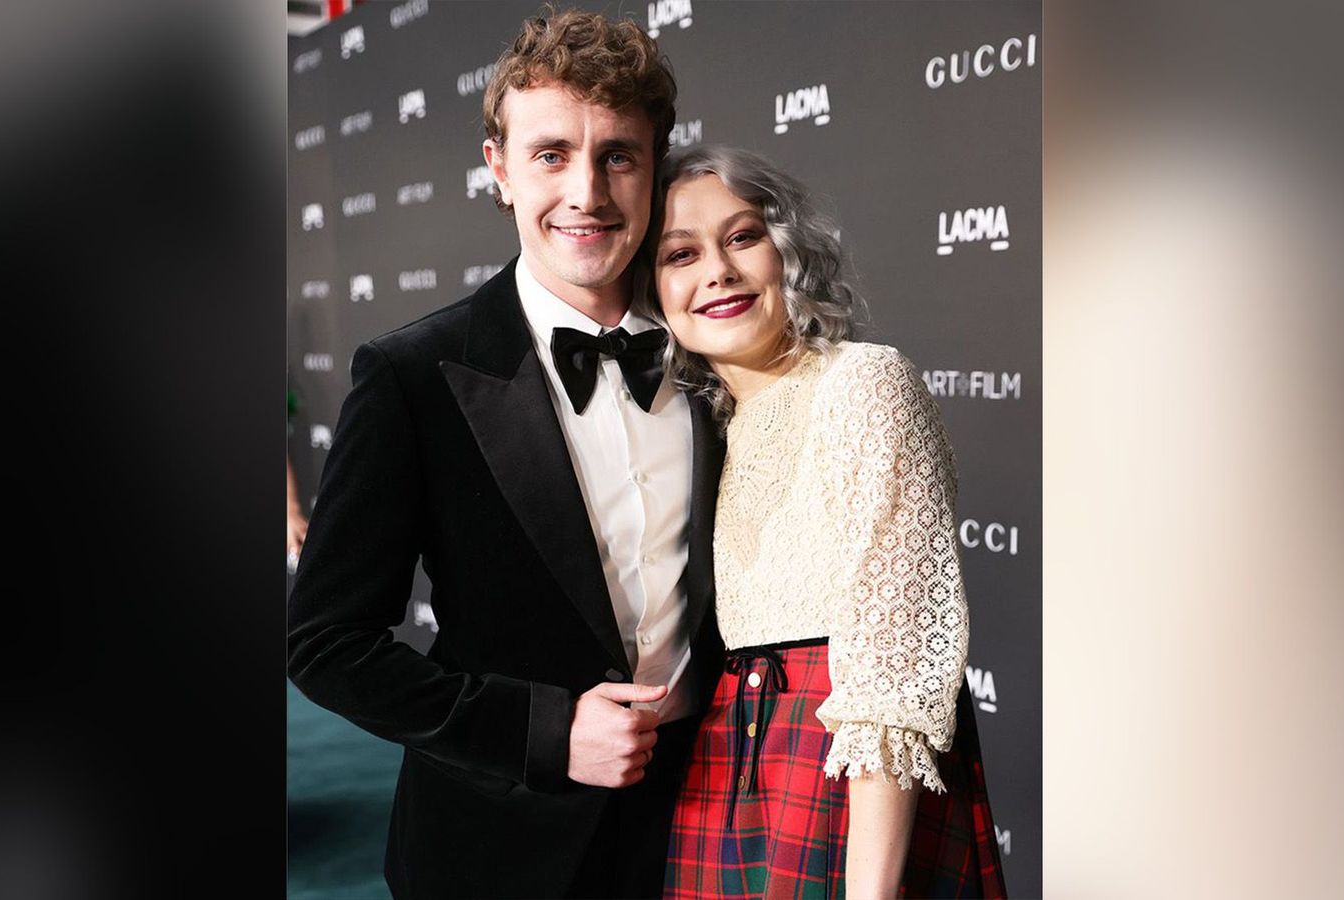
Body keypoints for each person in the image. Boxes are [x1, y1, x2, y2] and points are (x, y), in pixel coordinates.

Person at [286, 9, 726, 899]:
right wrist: (543, 733)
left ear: (656, 166)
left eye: (618, 156)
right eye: (551, 155)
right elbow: (326, 643)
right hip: (495, 847)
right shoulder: (412, 376)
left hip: (704, 831)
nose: (586, 193)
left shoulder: (717, 355)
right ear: (499, 168)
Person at [645, 146, 1007, 899]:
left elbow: (893, 669)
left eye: (742, 237)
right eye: (681, 254)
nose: (717, 271)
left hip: (848, 784)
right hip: (724, 776)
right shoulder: (700, 433)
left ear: (787, 250)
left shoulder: (866, 383)